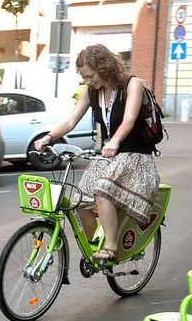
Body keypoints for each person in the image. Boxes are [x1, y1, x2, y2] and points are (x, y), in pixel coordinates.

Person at [34, 44, 161, 265]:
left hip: (135, 156)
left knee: (103, 189)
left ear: (104, 68)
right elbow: (70, 121)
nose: (87, 81)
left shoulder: (132, 85)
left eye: (90, 76)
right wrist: (48, 138)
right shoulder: (91, 92)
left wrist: (115, 141)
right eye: (84, 77)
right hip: (110, 157)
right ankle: (97, 247)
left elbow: (129, 119)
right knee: (79, 200)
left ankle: (111, 247)